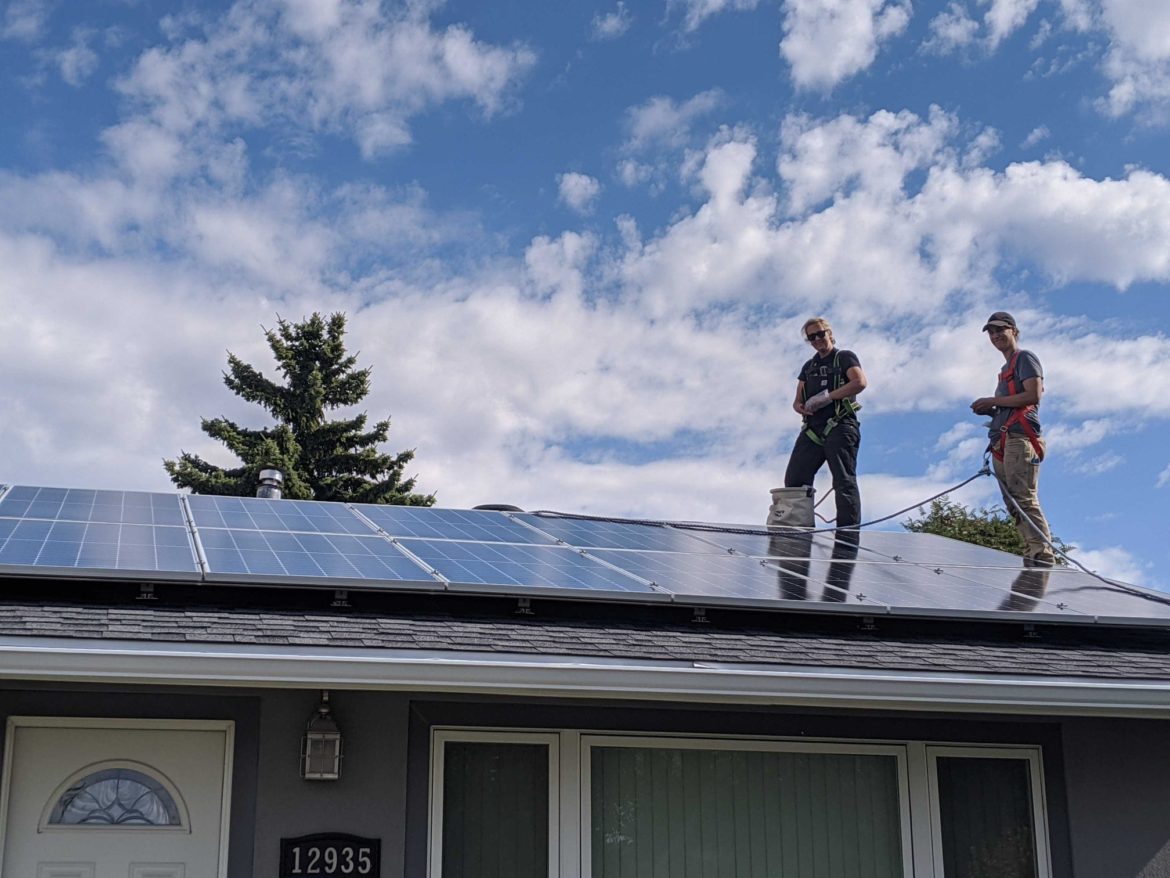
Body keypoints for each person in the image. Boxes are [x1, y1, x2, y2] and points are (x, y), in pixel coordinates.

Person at [970, 311, 1055, 566]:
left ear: (1014, 331)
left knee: (1024, 497)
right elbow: (1012, 402)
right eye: (991, 332)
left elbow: (1033, 395)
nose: (995, 336)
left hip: (1020, 438)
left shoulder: (1025, 358)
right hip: (1003, 441)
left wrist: (994, 400)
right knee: (1012, 502)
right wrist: (992, 410)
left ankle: (1042, 552)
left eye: (1000, 330)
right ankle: (1031, 550)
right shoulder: (1005, 369)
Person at [783, 317, 867, 529]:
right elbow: (797, 400)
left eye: (820, 334)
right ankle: (797, 531)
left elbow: (859, 382)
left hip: (840, 425)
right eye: (812, 337)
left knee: (843, 480)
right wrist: (800, 406)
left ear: (829, 333)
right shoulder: (809, 367)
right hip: (813, 430)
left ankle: (847, 534)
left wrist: (828, 397)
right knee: (795, 480)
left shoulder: (844, 357)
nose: (817, 339)